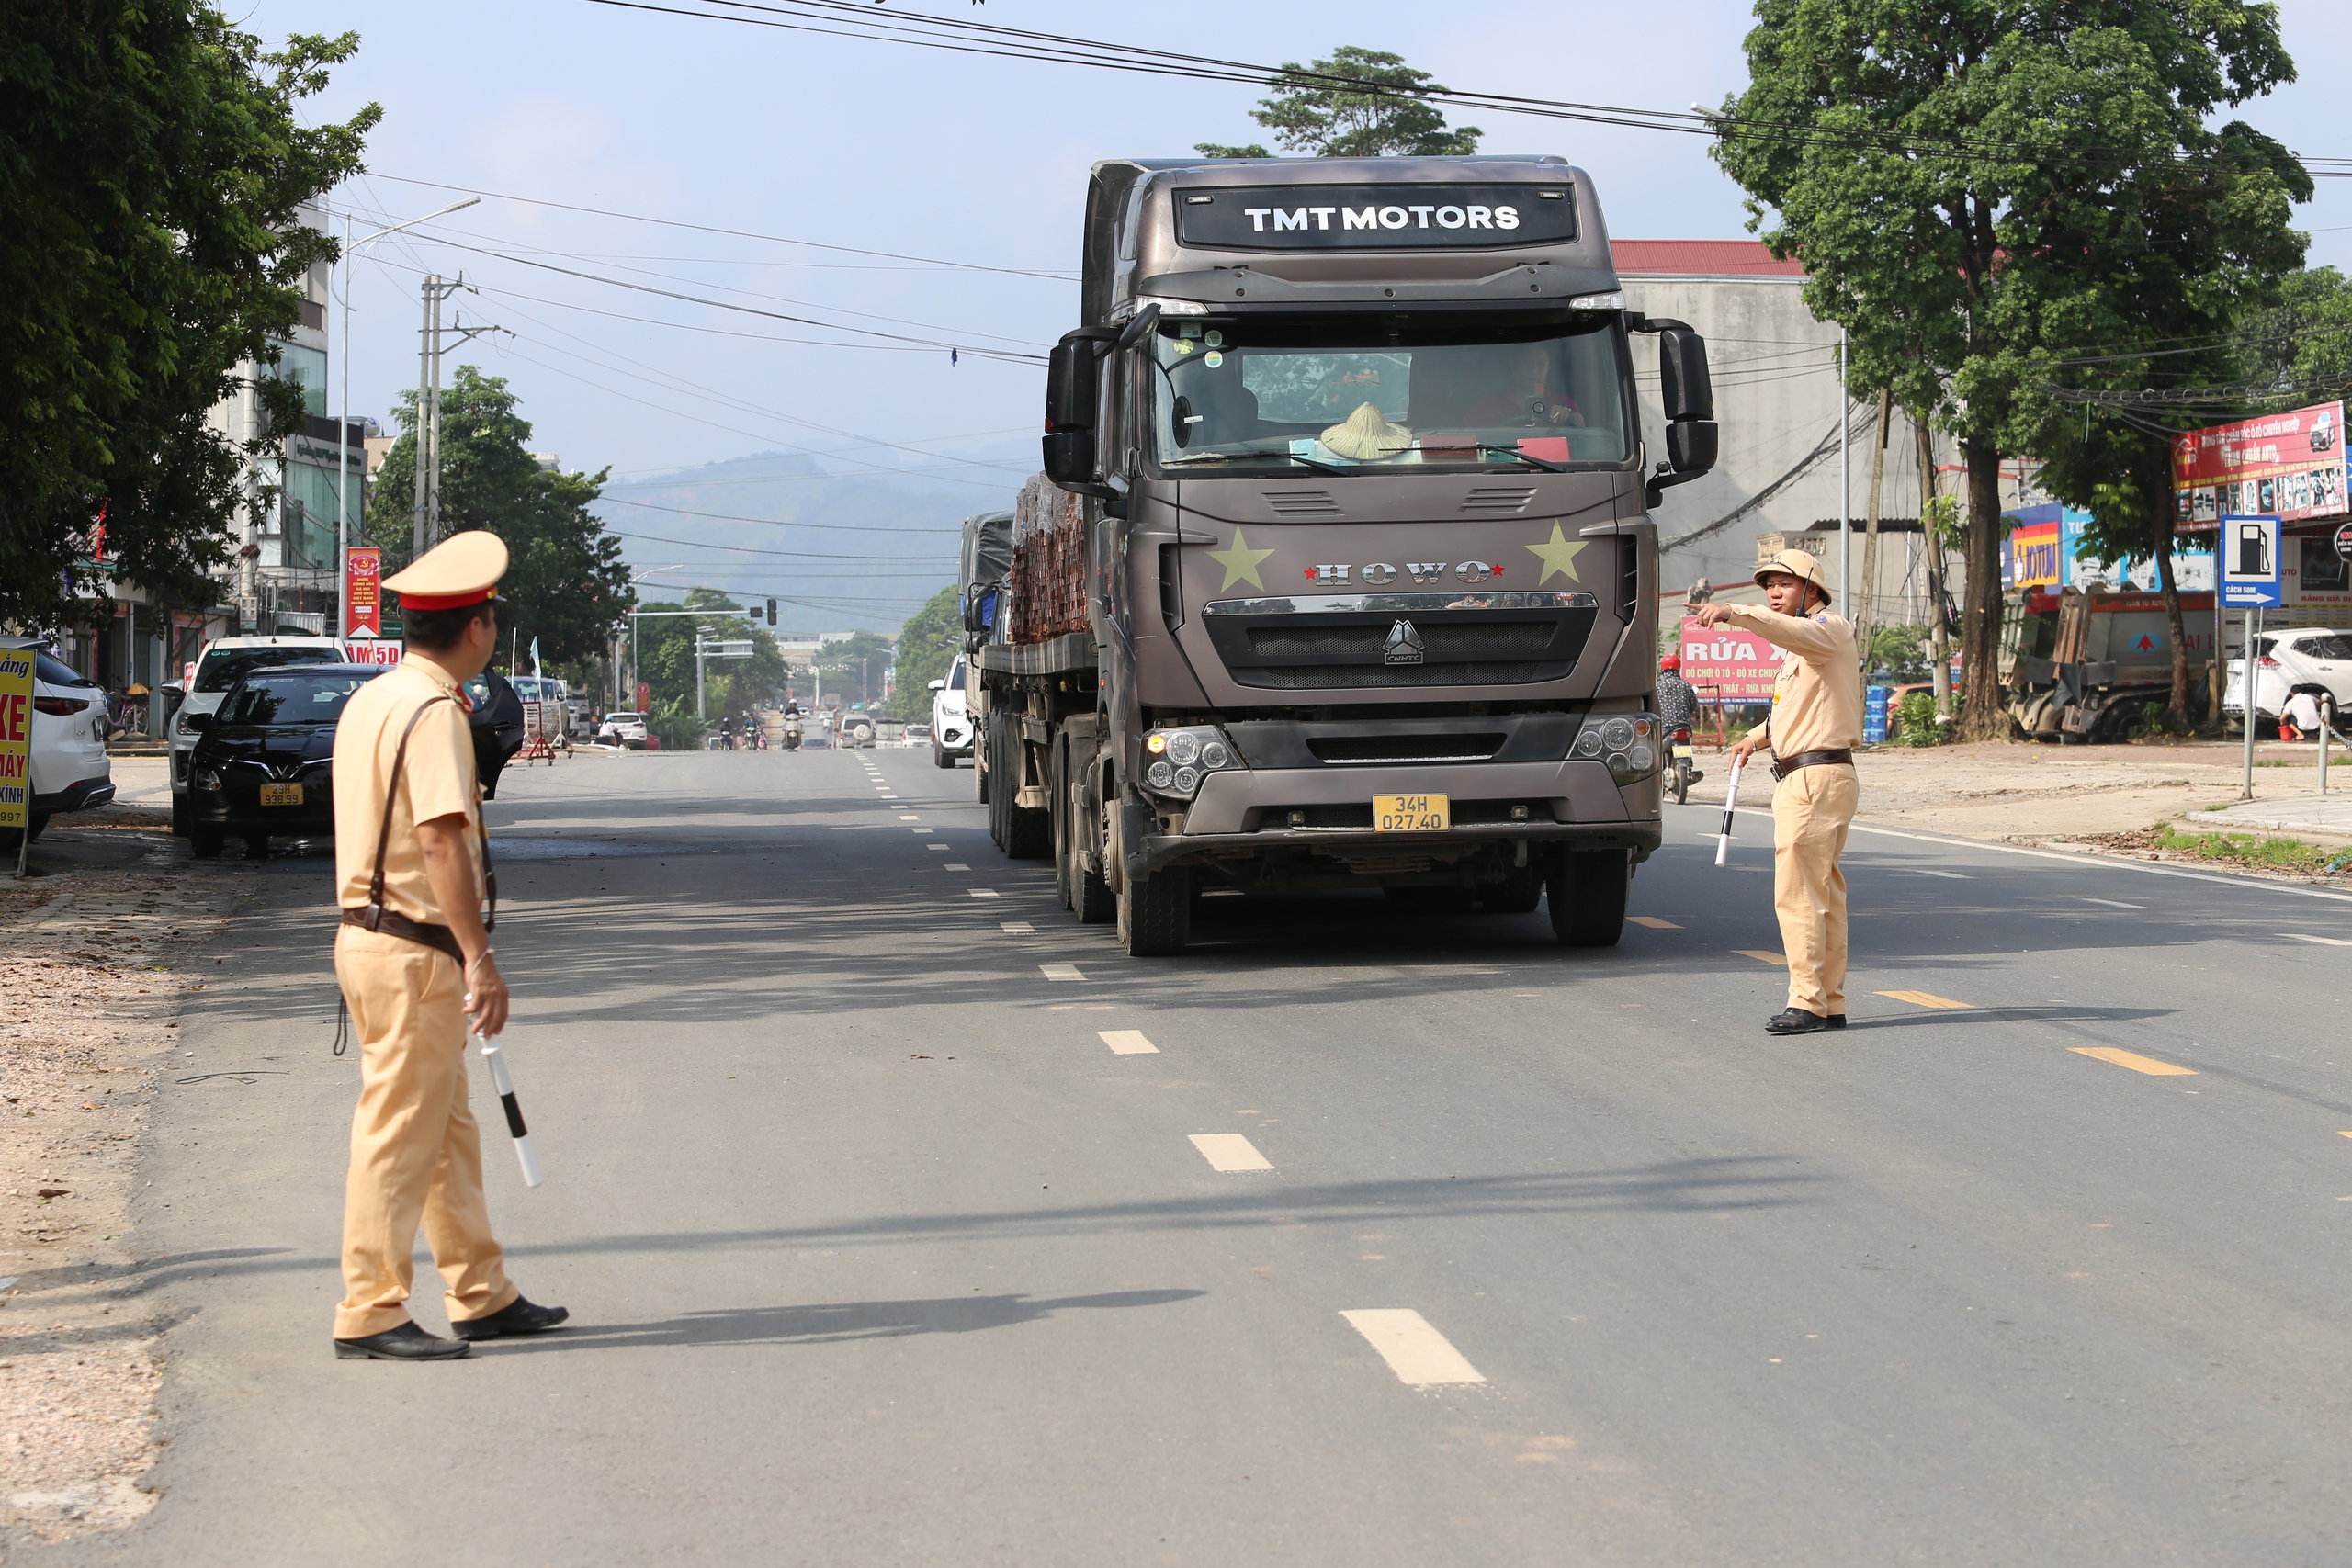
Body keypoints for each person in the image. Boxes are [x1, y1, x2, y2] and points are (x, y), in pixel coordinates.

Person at [328, 531, 568, 1360]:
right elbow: (440, 843)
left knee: (445, 1127)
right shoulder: (433, 713)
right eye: (493, 617)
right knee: (399, 1130)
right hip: (411, 945)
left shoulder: (374, 698)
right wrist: (480, 955)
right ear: (476, 628)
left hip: (370, 937)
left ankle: (479, 1288)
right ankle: (370, 1307)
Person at [1692, 549, 1861, 1036]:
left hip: (1813, 779)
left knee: (1799, 896)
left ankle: (1806, 1002)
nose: (1773, 592)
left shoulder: (1828, 630)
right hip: (1813, 776)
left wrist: (1735, 613)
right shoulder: (1805, 651)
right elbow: (1796, 712)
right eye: (1767, 585)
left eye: (1784, 584)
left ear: (1812, 590)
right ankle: (1828, 1003)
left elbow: (1784, 629)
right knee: (1822, 894)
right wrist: (1756, 737)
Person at [1460, 340, 1584, 427]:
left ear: (1549, 369)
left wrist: (1567, 417)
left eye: (1541, 365)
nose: (1535, 370)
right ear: (1514, 366)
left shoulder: (1562, 402)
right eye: (1528, 363)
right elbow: (1468, 442)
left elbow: (1583, 441)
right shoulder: (1487, 407)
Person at [1657, 653, 1704, 786]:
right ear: (1678, 668)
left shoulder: (1658, 687)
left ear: (1663, 669)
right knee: (1685, 747)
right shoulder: (1685, 685)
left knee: (1656, 753)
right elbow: (1693, 703)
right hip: (1684, 726)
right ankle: (1688, 768)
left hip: (1665, 728)